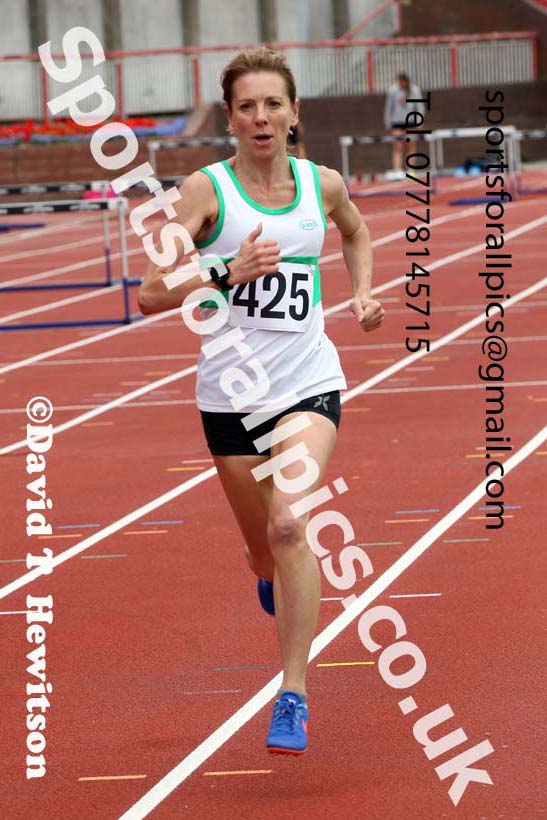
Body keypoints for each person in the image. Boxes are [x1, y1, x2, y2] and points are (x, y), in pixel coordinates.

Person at [138, 47, 384, 756]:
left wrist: (362, 290)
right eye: (246, 105)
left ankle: (292, 694)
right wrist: (224, 267)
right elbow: (153, 290)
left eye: (272, 103)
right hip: (230, 398)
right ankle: (272, 582)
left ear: (293, 111)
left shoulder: (322, 184)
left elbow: (356, 230)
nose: (260, 117)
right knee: (262, 555)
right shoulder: (205, 193)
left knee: (287, 525)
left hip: (309, 382)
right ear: (231, 117)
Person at [383, 72, 425, 180]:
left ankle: (411, 171)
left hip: (410, 122)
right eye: (399, 81)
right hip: (397, 123)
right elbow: (388, 107)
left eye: (402, 81)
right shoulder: (393, 91)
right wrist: (388, 123)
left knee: (410, 146)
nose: (400, 84)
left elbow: (419, 106)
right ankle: (397, 171)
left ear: (406, 81)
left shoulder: (414, 90)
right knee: (397, 147)